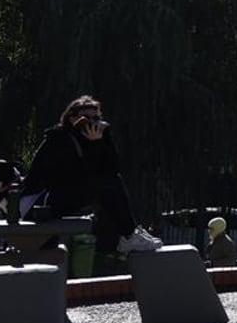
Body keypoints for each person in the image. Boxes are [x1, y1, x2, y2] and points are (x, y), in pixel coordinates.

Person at [19, 95, 162, 256]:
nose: (92, 122)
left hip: (67, 195)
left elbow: (112, 169)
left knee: (112, 182)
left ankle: (128, 234)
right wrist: (94, 147)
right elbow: (73, 176)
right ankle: (128, 235)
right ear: (72, 118)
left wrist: (100, 143)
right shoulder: (59, 139)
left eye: (96, 118)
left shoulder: (98, 137)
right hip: (40, 202)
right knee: (101, 185)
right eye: (86, 118)